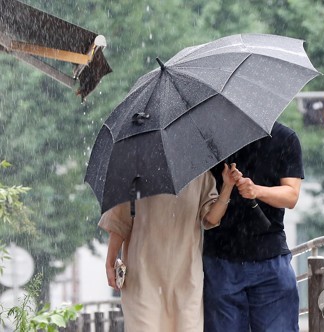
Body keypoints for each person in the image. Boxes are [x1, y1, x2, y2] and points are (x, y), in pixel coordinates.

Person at [99, 164, 241, 332]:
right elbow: (119, 222)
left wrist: (227, 186)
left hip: (185, 278)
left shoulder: (199, 172)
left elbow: (211, 217)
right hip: (143, 277)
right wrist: (110, 261)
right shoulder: (134, 170)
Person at [203, 121, 304, 332]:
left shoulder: (284, 137)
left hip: (270, 256)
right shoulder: (212, 140)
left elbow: (291, 195)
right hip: (220, 259)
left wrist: (256, 190)